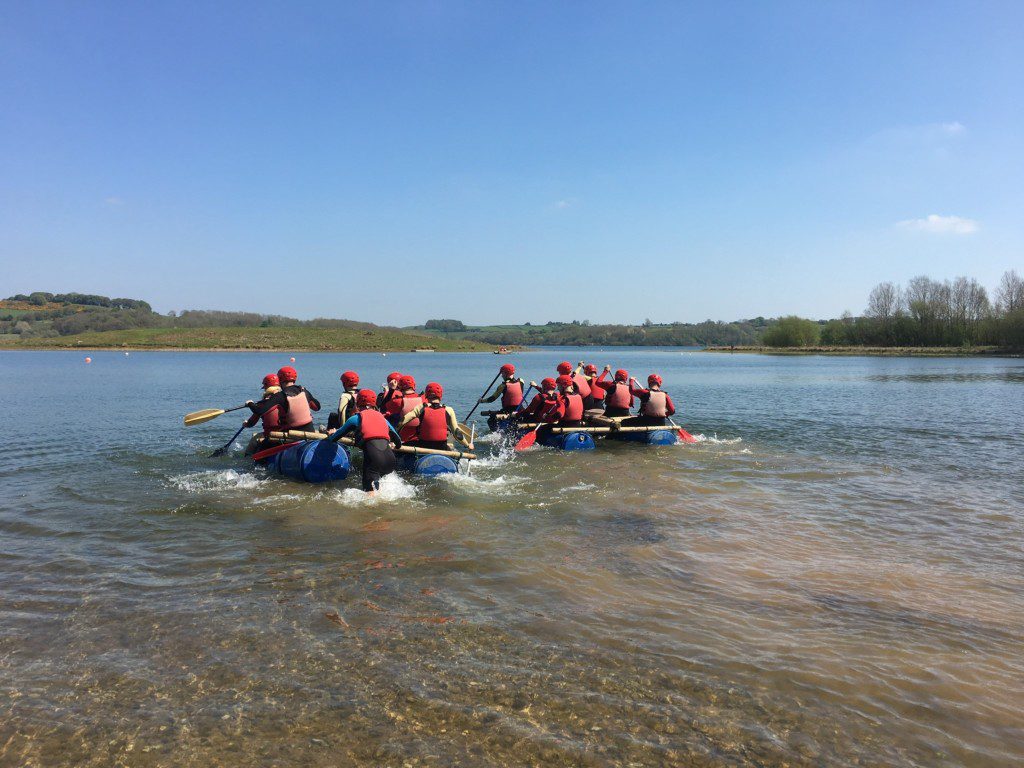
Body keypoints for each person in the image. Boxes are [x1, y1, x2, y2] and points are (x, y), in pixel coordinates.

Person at [331, 389, 402, 495]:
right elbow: (399, 442)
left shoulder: (355, 418)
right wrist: (392, 443)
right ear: (374, 404)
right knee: (382, 492)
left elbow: (334, 438)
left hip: (374, 460)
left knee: (369, 496)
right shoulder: (384, 419)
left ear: (358, 403)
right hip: (390, 461)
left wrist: (331, 433)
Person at [244, 366, 321, 436]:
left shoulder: (280, 396)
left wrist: (250, 403)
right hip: (310, 432)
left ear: (280, 379)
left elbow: (259, 411)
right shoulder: (304, 391)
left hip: (292, 435)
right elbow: (317, 407)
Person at [397, 382, 461, 451]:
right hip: (442, 447)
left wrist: (395, 434)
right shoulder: (449, 410)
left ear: (426, 394)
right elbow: (456, 432)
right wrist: (468, 445)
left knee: (403, 446)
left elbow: (403, 420)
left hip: (423, 446)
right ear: (440, 395)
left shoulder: (421, 408)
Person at [242, 374, 282, 454]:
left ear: (266, 387)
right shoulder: (285, 397)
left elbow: (252, 422)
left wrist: (246, 424)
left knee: (254, 440)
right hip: (286, 431)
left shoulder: (263, 403)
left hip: (270, 434)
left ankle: (247, 459)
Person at [388, 375, 423, 441]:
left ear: (399, 386)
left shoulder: (397, 401)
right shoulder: (423, 399)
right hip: (420, 438)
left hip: (402, 438)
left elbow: (383, 408)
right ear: (414, 385)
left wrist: (391, 390)